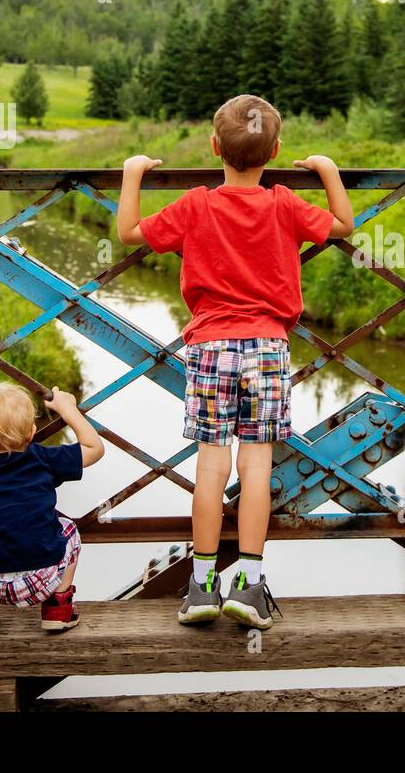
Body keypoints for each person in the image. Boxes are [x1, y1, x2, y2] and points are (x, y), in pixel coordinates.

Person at [117, 94, 354, 630]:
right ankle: (247, 584)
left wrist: (132, 174)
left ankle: (200, 584)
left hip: (209, 347)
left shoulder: (196, 205)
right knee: (256, 467)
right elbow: (344, 224)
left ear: (213, 147)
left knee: (210, 465)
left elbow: (130, 233)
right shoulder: (286, 204)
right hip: (267, 347)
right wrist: (328, 170)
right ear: (275, 150)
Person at [0, 382, 104, 632]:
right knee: (68, 527)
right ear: (31, 432)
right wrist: (68, 409)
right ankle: (58, 607)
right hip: (41, 581)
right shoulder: (42, 460)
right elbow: (95, 449)